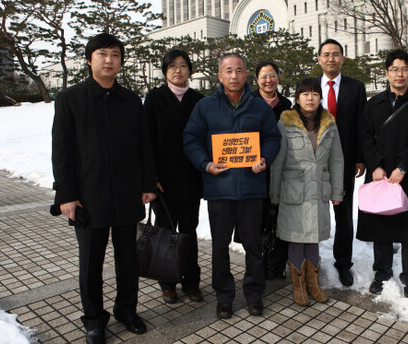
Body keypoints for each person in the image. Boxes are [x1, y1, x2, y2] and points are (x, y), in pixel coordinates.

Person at [51, 33, 157, 344]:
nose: (109, 60)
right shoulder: (70, 99)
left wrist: (148, 184)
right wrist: (66, 196)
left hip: (126, 193)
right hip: (88, 196)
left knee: (128, 259)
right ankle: (94, 320)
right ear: (89, 59)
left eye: (115, 54)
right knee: (90, 263)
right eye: (102, 54)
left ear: (121, 61)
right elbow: (62, 150)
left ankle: (127, 310)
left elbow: (143, 146)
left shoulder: (130, 100)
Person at [183, 53, 281, 319]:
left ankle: (254, 295)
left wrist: (265, 158)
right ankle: (224, 297)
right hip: (219, 189)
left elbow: (273, 138)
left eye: (239, 70)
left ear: (246, 74)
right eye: (228, 70)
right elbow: (191, 139)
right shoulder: (205, 107)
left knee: (252, 245)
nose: (234, 76)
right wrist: (206, 164)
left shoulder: (259, 107)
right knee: (220, 247)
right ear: (219, 75)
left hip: (251, 188)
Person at [356, 49, 408, 298]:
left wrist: (403, 167)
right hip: (379, 175)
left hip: (406, 175)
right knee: (381, 224)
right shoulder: (373, 104)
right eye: (394, 69)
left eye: (405, 68)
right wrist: (375, 165)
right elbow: (364, 137)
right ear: (386, 73)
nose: (400, 74)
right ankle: (382, 273)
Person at [270, 78, 344, 306]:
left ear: (320, 97)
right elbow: (277, 162)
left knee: (313, 239)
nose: (310, 98)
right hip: (293, 190)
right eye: (305, 94)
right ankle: (298, 287)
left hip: (319, 190)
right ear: (297, 98)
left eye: (314, 93)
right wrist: (274, 194)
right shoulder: (286, 123)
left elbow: (337, 159)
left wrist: (337, 192)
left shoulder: (329, 124)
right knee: (296, 239)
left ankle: (314, 284)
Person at [143, 49, 205, 304]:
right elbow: (145, 140)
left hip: (191, 178)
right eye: (172, 67)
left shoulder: (199, 100)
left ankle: (191, 281)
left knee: (189, 231)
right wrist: (151, 176)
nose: (178, 70)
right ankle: (167, 282)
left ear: (190, 69)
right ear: (165, 71)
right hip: (163, 181)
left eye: (183, 65)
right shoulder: (154, 98)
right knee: (166, 231)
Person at [317, 38, 366, 286]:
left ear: (342, 58)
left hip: (344, 161)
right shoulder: (310, 86)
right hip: (315, 161)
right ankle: (309, 261)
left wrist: (359, 157)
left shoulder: (355, 87)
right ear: (319, 59)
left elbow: (362, 125)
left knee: (344, 215)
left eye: (335, 54)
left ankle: (343, 263)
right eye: (326, 54)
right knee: (312, 212)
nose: (331, 59)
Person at [252, 60, 292, 280]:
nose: (269, 80)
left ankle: (276, 266)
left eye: (273, 75)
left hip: (280, 170)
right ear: (257, 79)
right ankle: (257, 265)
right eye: (264, 76)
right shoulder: (248, 101)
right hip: (253, 170)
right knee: (257, 219)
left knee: (278, 218)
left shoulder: (287, 105)